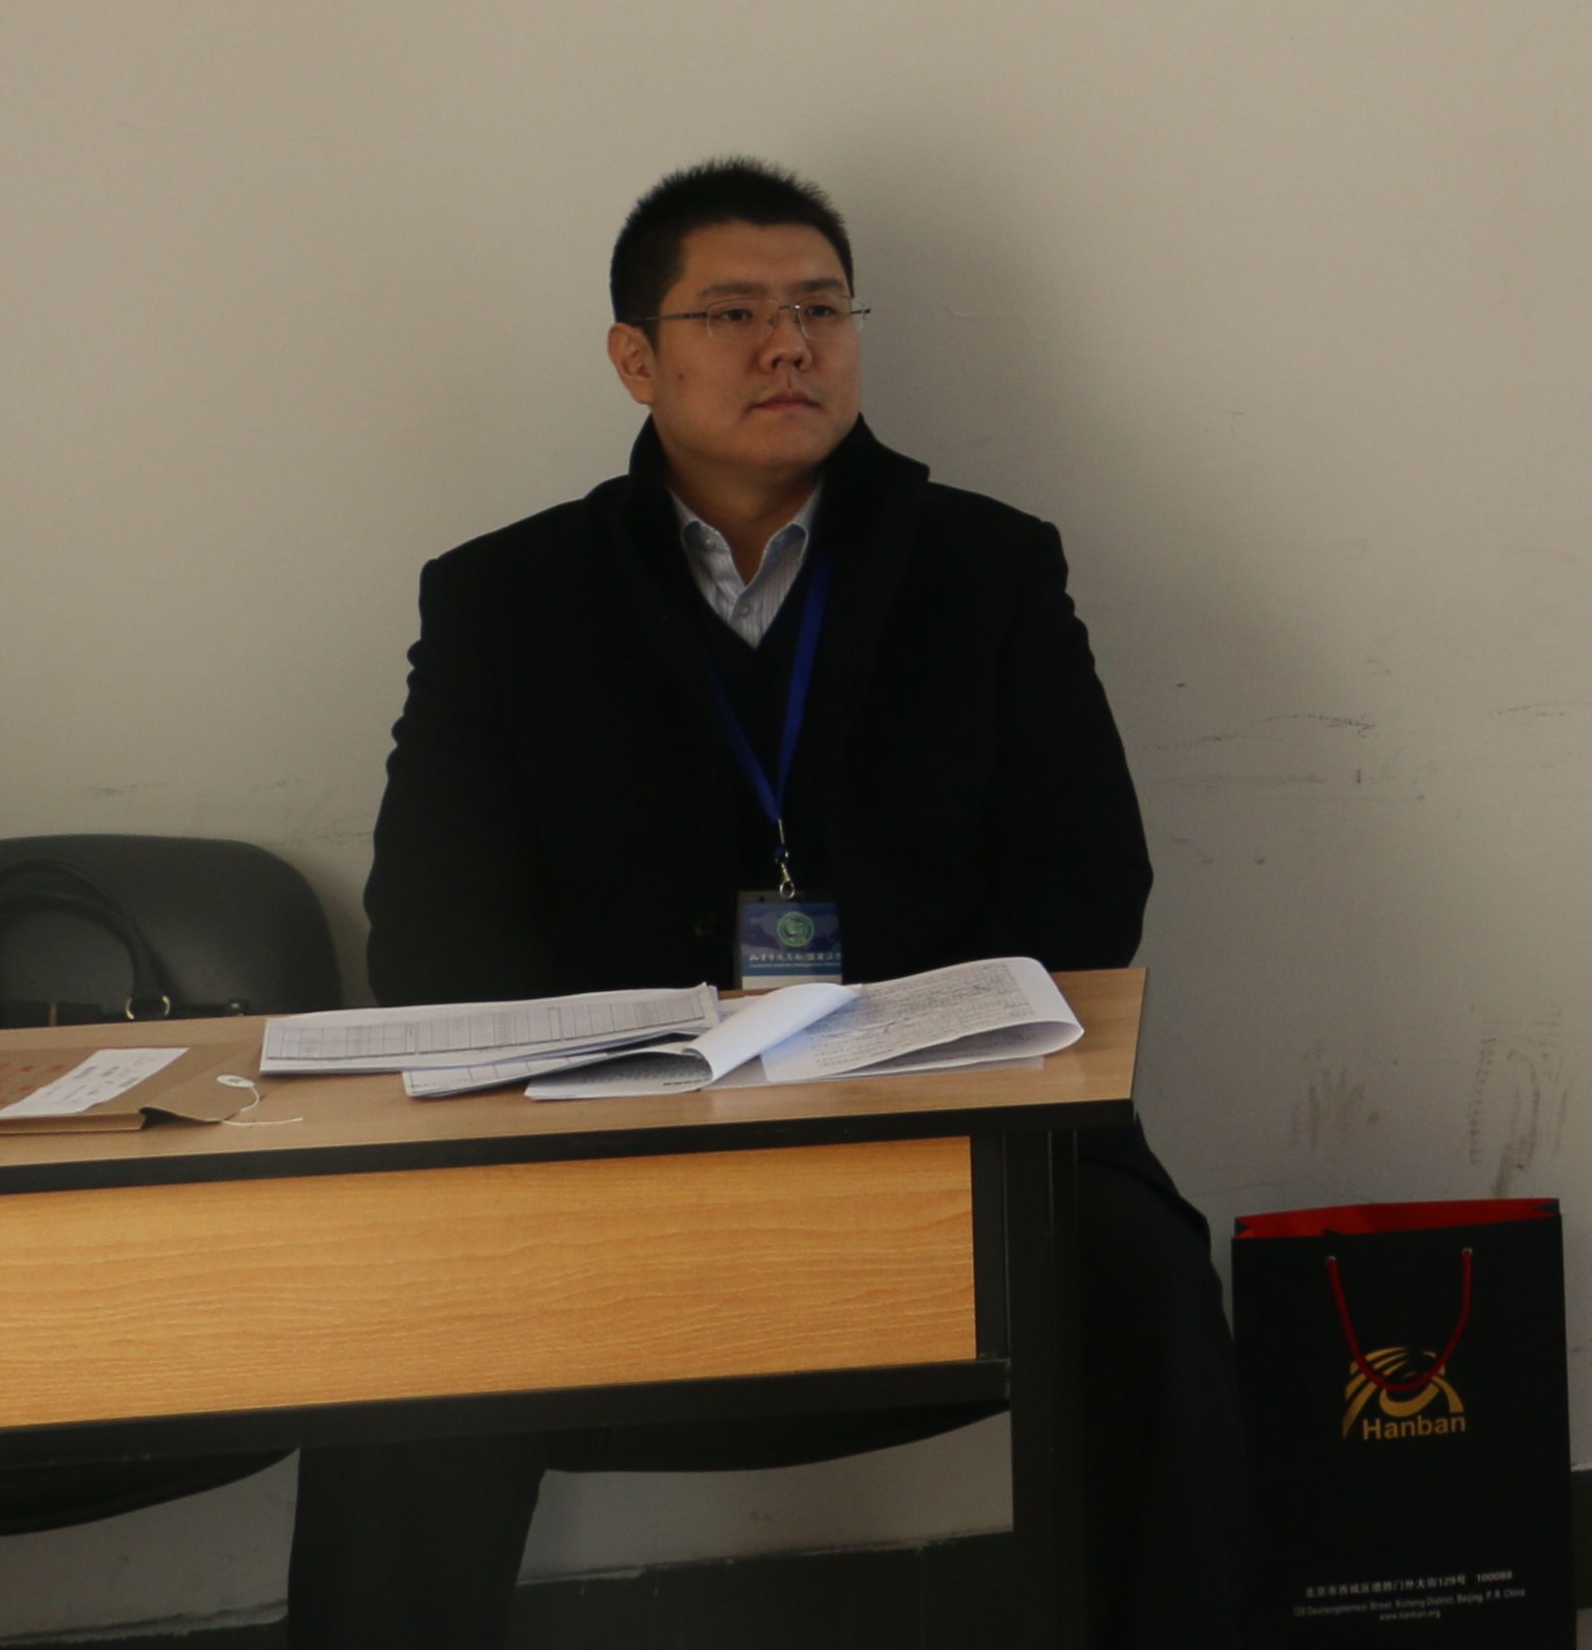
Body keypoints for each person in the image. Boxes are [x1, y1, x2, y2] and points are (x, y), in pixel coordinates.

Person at [286, 160, 1238, 1650]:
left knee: (1142, 1275)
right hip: (603, 1153)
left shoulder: (987, 567)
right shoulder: (505, 601)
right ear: (636, 358)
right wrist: (645, 1079)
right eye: (733, 312)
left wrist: (901, 1059)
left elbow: (1085, 882)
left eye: (821, 311)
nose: (789, 345)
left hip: (943, 1130)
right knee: (402, 1312)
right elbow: (435, 929)